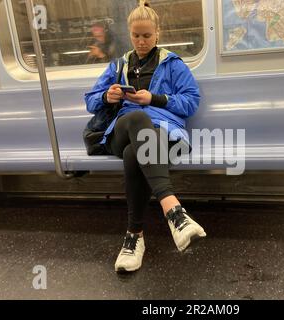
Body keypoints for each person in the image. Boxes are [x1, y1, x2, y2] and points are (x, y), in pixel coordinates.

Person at [84, 0, 206, 273]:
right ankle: (174, 212)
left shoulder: (173, 64)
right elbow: (90, 101)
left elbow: (191, 102)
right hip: (122, 131)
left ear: (157, 34)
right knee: (138, 117)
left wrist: (156, 98)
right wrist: (107, 96)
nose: (141, 41)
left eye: (147, 35)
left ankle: (134, 237)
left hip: (161, 132)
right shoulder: (118, 65)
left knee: (134, 153)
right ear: (130, 35)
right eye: (136, 36)